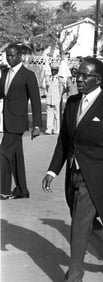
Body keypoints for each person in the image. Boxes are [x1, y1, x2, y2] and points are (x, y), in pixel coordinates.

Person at [42, 56, 103, 282]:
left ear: (98, 79)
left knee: (79, 226)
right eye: (77, 75)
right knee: (85, 221)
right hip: (73, 173)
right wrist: (53, 170)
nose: (78, 79)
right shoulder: (71, 103)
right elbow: (64, 141)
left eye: (84, 75)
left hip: (95, 178)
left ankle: (73, 280)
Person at [0, 43, 42, 200]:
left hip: (18, 122)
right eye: (7, 55)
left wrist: (37, 124)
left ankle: (3, 190)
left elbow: (36, 100)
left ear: (20, 56)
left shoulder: (28, 75)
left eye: (12, 55)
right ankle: (22, 190)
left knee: (3, 153)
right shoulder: (5, 73)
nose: (9, 58)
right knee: (16, 156)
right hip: (7, 120)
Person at [45, 64, 65, 135]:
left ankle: (57, 129)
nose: (53, 71)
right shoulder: (49, 78)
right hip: (50, 99)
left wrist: (59, 98)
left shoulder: (60, 79)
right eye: (52, 70)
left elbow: (62, 89)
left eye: (55, 70)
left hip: (56, 99)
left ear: (57, 71)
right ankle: (49, 129)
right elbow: (47, 88)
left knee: (57, 115)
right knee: (49, 114)